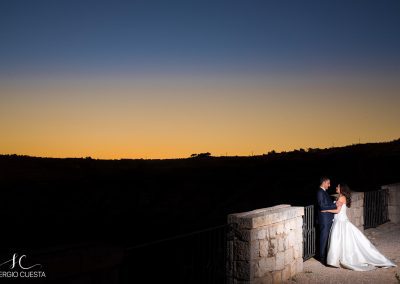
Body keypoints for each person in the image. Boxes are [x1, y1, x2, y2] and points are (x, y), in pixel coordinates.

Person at [321, 183, 397, 271]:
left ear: (341, 188)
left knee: (340, 239)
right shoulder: (339, 197)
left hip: (341, 222)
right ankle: (336, 259)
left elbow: (337, 211)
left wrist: (326, 210)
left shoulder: (342, 198)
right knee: (339, 240)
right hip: (338, 221)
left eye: (337, 187)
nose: (336, 188)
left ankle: (339, 259)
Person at [316, 177, 340, 265]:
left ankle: (325, 255)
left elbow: (326, 203)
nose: (329, 185)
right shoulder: (319, 192)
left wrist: (334, 203)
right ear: (324, 182)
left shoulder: (324, 192)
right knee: (323, 238)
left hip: (328, 219)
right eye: (328, 183)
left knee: (326, 238)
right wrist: (335, 206)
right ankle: (321, 257)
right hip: (324, 220)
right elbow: (322, 206)